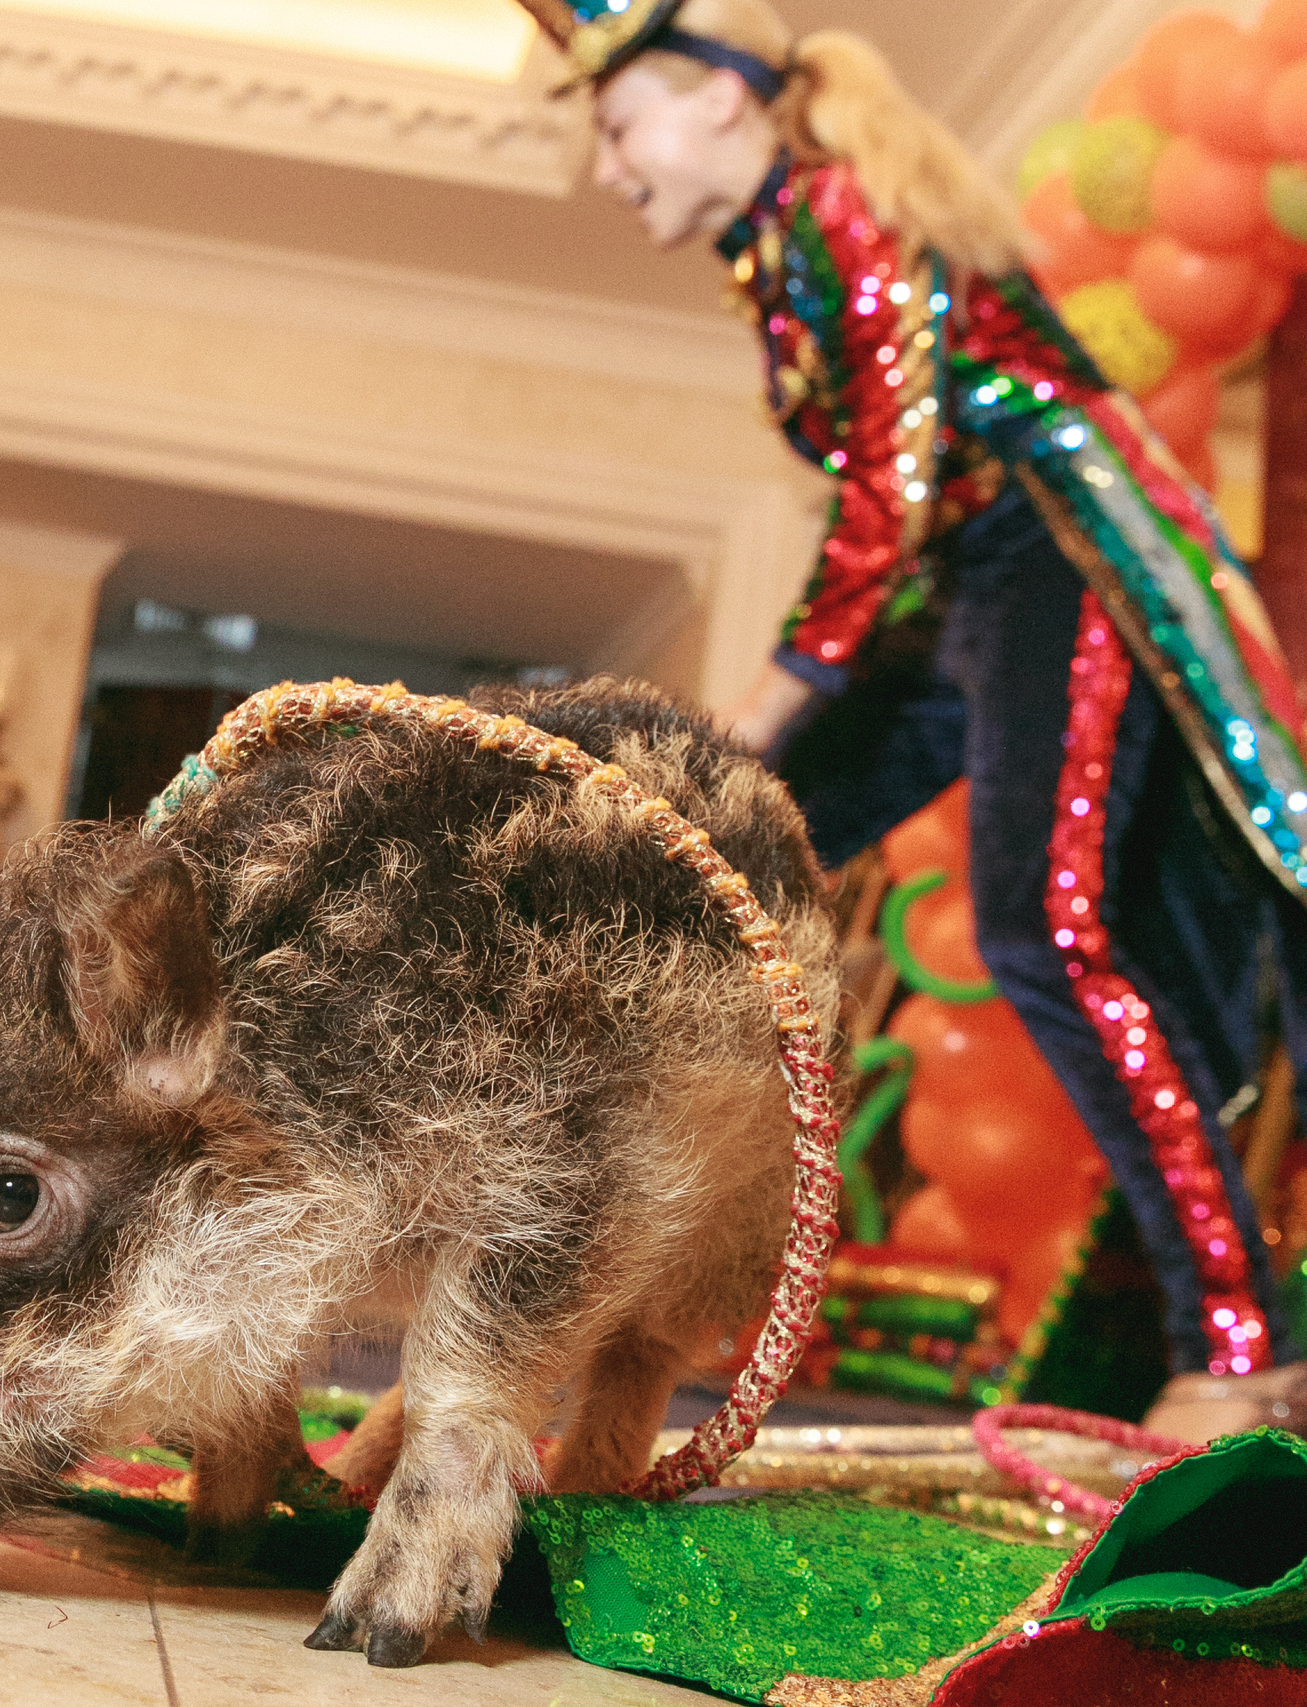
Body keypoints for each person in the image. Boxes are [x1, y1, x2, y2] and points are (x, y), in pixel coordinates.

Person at [520, 0, 1303, 1438]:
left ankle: (1240, 1344)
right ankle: (621, 1295)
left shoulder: (837, 208)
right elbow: (896, 527)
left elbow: (881, 506)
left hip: (1052, 552)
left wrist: (746, 720)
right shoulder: (773, 250)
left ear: (717, 102)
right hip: (959, 586)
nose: (607, 168)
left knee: (1049, 929)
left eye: (619, 125)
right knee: (727, 875)